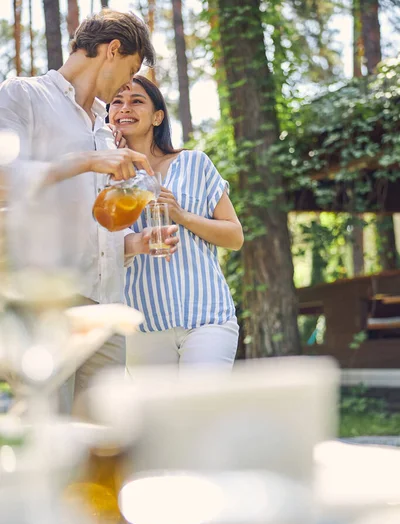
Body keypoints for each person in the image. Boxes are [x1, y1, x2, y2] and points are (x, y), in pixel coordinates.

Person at [0, 10, 178, 411]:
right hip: (48, 302)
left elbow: (94, 227)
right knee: (49, 437)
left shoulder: (103, 128)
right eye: (130, 70)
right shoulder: (23, 95)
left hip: (106, 310)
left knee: (102, 445)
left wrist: (134, 243)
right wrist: (84, 161)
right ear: (113, 50)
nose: (126, 85)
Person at [108, 76, 244, 372]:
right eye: (116, 102)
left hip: (207, 318)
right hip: (143, 325)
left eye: (136, 101)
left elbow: (235, 236)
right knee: (160, 419)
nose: (124, 108)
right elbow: (103, 245)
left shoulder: (196, 163)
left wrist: (182, 216)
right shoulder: (105, 174)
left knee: (199, 412)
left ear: (158, 116)